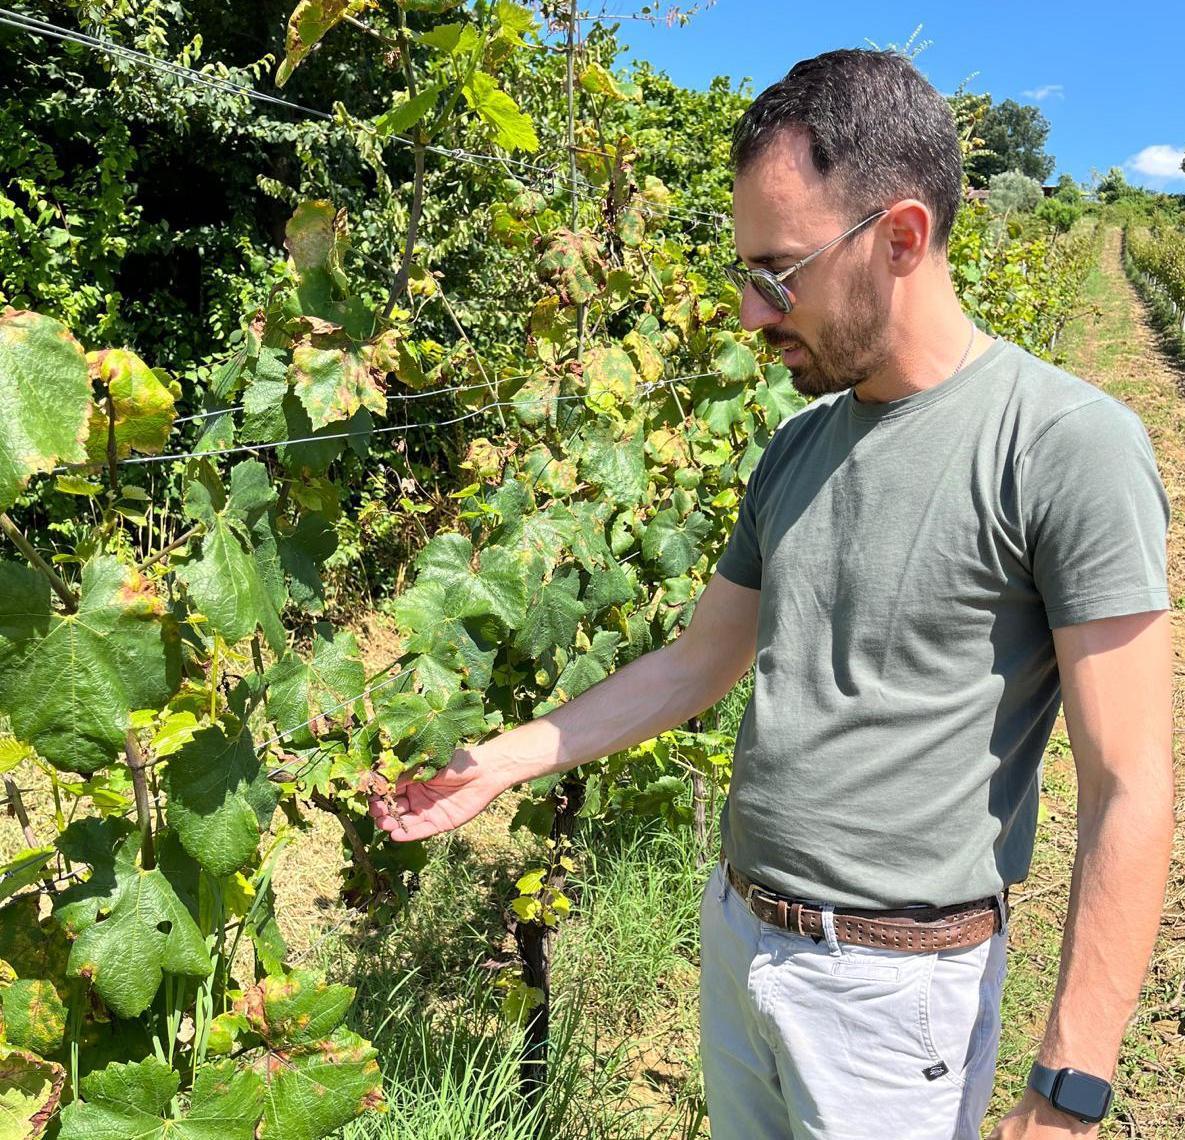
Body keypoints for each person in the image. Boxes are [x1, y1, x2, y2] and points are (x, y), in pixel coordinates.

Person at [370, 49, 1174, 1140]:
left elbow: (1129, 782)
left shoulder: (1063, 444)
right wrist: (501, 763)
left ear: (901, 238)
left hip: (897, 997)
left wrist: (1071, 1085)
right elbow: (702, 662)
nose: (753, 314)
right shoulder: (797, 446)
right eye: (747, 274)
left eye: (778, 274)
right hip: (744, 937)